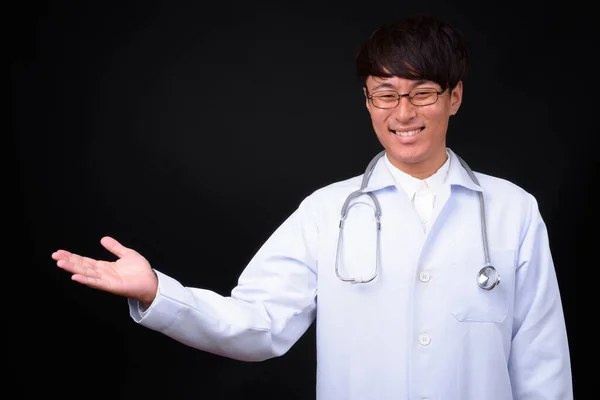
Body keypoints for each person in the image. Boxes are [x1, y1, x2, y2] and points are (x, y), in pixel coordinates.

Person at [51, 13, 573, 399]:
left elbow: (541, 361)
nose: (403, 112)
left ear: (454, 97)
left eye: (423, 93)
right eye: (385, 94)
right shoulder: (328, 211)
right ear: (368, 101)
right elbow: (259, 323)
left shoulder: (512, 210)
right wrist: (158, 292)